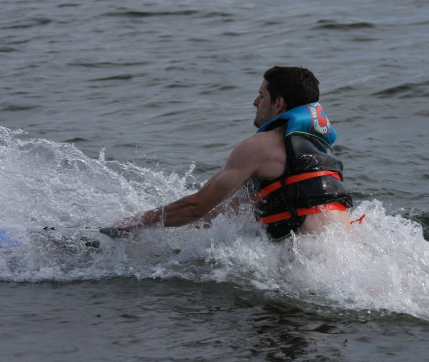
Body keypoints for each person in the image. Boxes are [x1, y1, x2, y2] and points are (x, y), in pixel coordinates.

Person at [110, 66, 353, 240]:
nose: (255, 102)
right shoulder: (317, 151)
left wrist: (134, 224)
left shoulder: (261, 146)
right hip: (343, 259)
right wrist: (160, 236)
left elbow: (196, 206)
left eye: (262, 95)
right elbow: (228, 212)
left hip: (308, 268)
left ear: (279, 103)